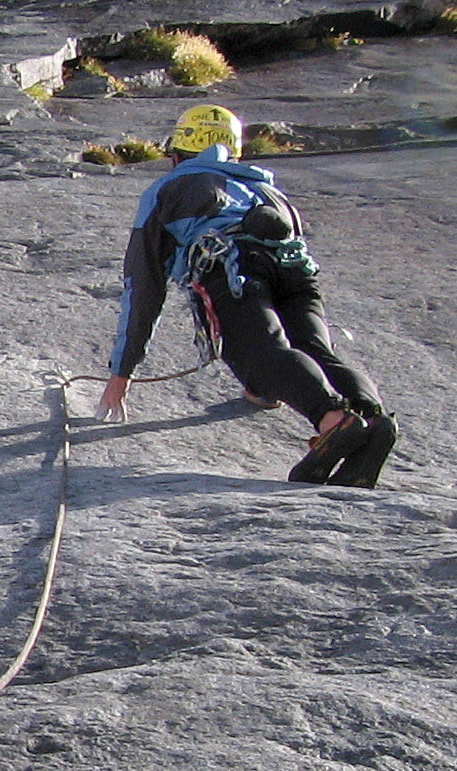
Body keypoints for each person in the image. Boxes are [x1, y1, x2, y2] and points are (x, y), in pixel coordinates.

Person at [93, 104, 397, 485]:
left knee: (259, 353)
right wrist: (264, 388)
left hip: (234, 268)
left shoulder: (170, 189)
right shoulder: (268, 190)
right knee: (315, 351)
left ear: (176, 154)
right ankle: (373, 420)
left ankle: (334, 420)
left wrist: (121, 373)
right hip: (295, 271)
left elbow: (144, 285)